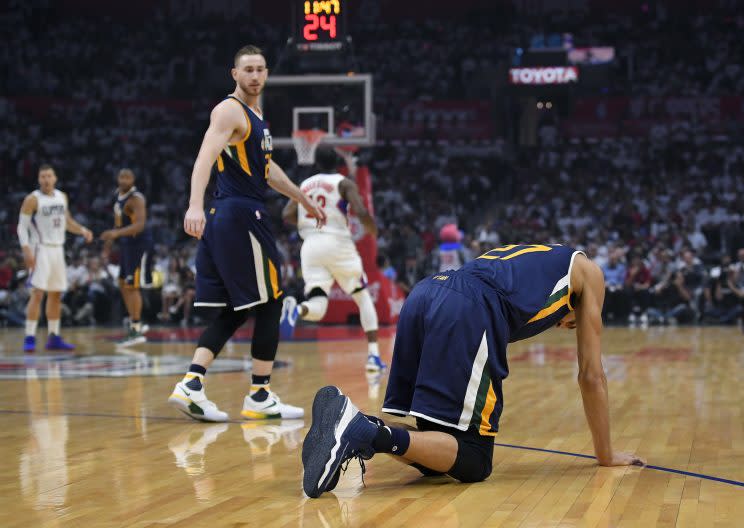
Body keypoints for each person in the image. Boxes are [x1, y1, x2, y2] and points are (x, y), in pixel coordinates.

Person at [301, 244, 645, 498]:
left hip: (424, 294)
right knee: (475, 458)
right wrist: (606, 455)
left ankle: (350, 426)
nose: (563, 327)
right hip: (469, 306)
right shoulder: (590, 273)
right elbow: (591, 374)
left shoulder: (532, 260)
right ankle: (362, 431)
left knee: (438, 455)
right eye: (569, 326)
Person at [168, 45, 326, 422]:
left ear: (267, 73)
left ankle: (191, 384)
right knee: (272, 301)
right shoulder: (228, 111)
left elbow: (268, 172)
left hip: (234, 214)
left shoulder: (256, 118)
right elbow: (205, 156)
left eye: (260, 69)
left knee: (237, 309)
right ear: (234, 74)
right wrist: (193, 204)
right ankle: (259, 394)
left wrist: (303, 198)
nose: (255, 75)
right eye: (248, 70)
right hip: (239, 214)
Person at [280, 148, 384, 371]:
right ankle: (374, 357)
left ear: (315, 162)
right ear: (337, 162)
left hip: (310, 246)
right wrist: (372, 229)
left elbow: (286, 214)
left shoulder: (305, 184)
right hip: (337, 243)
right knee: (362, 296)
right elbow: (360, 210)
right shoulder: (344, 183)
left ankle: (297, 310)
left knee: (319, 302)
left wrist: (305, 221)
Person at [17, 164, 93, 352]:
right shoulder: (32, 199)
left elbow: (67, 221)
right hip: (39, 248)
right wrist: (26, 249)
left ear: (55, 178)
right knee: (37, 294)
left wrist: (82, 230)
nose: (46, 179)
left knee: (56, 294)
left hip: (58, 249)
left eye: (49, 176)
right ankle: (29, 336)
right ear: (38, 179)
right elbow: (21, 227)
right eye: (43, 176)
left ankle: (53, 337)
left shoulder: (61, 196)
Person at [101, 169, 153, 346]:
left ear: (133, 179)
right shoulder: (118, 195)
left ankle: (136, 328)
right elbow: (118, 223)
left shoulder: (136, 198)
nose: (124, 180)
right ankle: (134, 322)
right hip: (127, 245)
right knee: (122, 283)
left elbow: (139, 225)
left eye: (127, 177)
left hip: (140, 245)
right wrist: (108, 246)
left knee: (132, 286)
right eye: (121, 177)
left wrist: (115, 234)